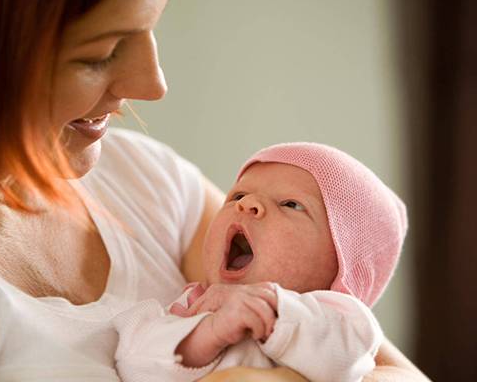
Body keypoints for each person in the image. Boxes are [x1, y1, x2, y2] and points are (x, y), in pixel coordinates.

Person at [0, 0, 427, 381]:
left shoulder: (142, 177)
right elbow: (147, 352)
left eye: (150, 29)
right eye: (99, 53)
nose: (153, 84)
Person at [113, 142, 406, 382]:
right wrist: (205, 335)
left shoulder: (343, 320)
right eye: (238, 194)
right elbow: (134, 366)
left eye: (290, 204)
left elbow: (346, 362)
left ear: (342, 264)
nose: (246, 203)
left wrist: (272, 310)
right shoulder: (192, 307)